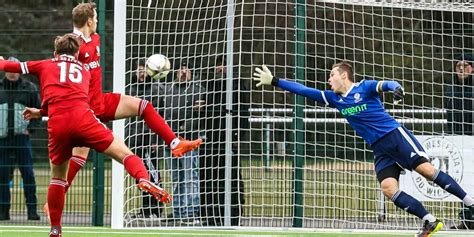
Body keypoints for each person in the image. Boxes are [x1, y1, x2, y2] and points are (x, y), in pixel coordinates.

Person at [253, 62, 474, 237]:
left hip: (395, 137)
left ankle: (470, 203)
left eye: (332, 74)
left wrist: (396, 88)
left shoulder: (364, 87)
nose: (329, 79)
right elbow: (303, 90)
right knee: (389, 189)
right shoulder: (334, 99)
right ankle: (429, 220)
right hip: (380, 149)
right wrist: (275, 80)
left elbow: (387, 84)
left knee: (426, 171)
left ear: (344, 75)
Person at [0, 34, 172, 237]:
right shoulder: (84, 70)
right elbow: (74, 97)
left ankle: (55, 229)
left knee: (57, 178)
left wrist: (2, 61)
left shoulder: (45, 64)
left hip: (59, 125)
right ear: (76, 53)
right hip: (84, 120)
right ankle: (142, 177)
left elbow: (12, 68)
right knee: (125, 154)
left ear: (55, 53)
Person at [46, 2, 203, 199]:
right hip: (85, 109)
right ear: (88, 21)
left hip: (100, 101)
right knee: (81, 154)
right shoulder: (73, 47)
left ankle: (174, 143)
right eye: (94, 17)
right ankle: (56, 199)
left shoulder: (95, 39)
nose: (96, 20)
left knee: (144, 106)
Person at [201, 56, 246, 226]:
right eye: (218, 65)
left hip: (229, 140)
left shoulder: (237, 85)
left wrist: (238, 136)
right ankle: (210, 216)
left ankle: (233, 216)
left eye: (223, 65)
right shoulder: (210, 86)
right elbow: (206, 116)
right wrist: (200, 110)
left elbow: (244, 112)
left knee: (231, 177)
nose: (220, 68)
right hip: (212, 139)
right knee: (210, 178)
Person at [163, 61, 205, 225]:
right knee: (176, 176)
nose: (183, 72)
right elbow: (163, 114)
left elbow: (198, 117)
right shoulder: (168, 89)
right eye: (181, 69)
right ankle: (178, 211)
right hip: (170, 140)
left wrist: (183, 130)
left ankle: (191, 212)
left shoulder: (197, 90)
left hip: (188, 140)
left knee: (190, 176)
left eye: (186, 69)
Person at [0, 56, 41, 221]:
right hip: (2, 140)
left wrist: (30, 130)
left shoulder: (29, 88)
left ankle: (32, 210)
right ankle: (3, 211)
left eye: (15, 69)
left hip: (21, 140)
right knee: (2, 176)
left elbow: (39, 111)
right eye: (10, 69)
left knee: (28, 174)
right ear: (5, 70)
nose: (13, 73)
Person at [126, 59, 165, 219]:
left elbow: (158, 117)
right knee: (140, 176)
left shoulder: (155, 90)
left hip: (149, 140)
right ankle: (145, 209)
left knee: (153, 174)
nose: (141, 72)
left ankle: (156, 208)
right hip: (135, 140)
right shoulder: (130, 89)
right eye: (138, 70)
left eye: (143, 69)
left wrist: (155, 140)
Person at [445, 53, 474, 230]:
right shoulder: (451, 89)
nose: (461, 68)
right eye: (458, 65)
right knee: (463, 181)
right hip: (460, 143)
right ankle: (466, 218)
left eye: (465, 65)